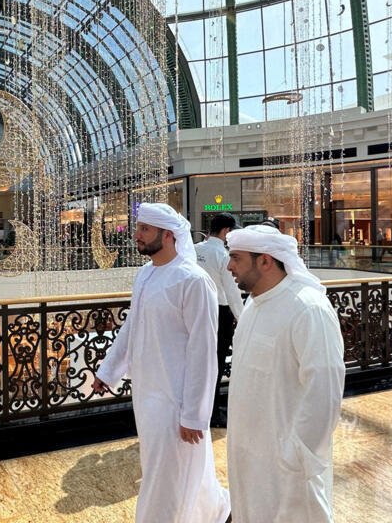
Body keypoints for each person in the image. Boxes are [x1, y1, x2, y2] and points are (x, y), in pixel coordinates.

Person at [92, 203, 229, 523]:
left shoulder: (193, 280)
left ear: (168, 235)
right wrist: (108, 371)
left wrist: (194, 413)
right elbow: (132, 327)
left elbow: (203, 351)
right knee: (177, 466)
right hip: (148, 393)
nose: (136, 236)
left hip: (177, 398)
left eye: (144, 230)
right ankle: (217, 512)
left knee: (167, 475)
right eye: (138, 228)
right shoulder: (146, 274)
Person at [225, 224, 345, 523]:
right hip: (250, 456)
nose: (228, 266)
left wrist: (296, 458)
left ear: (264, 261)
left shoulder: (308, 308)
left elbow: (324, 392)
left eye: (236, 258)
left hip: (287, 467)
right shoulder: (254, 306)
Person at [195, 212, 244, 428]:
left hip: (195, 311)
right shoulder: (223, 256)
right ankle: (213, 413)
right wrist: (243, 319)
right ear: (226, 231)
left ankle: (196, 410)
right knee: (215, 363)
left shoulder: (195, 250)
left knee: (197, 363)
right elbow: (232, 292)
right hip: (218, 313)